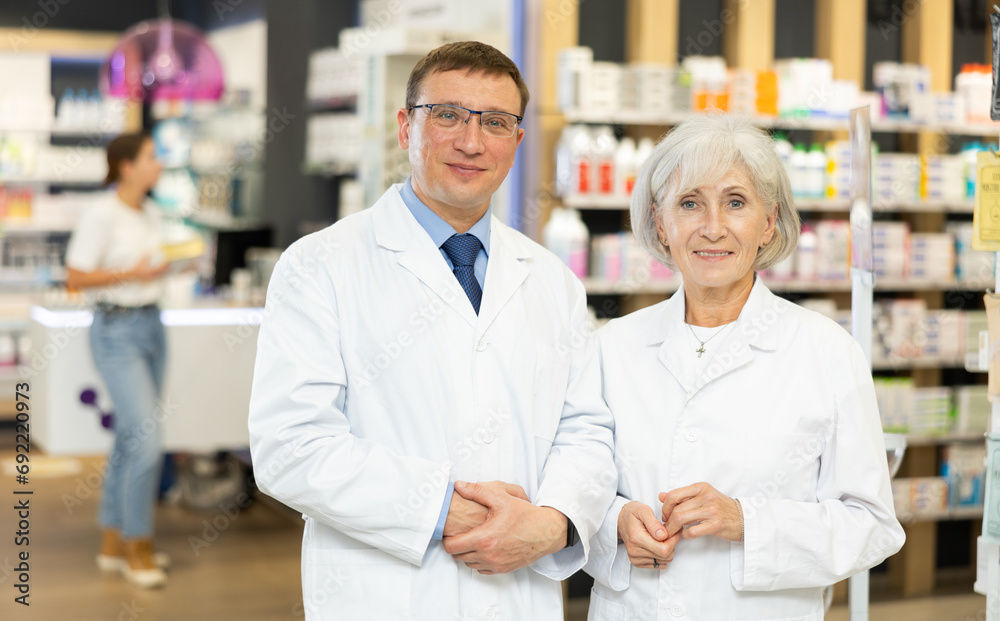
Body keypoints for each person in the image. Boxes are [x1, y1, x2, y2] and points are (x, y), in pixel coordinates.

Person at [248, 41, 616, 620]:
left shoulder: (552, 279)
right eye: (447, 115)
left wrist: (554, 522)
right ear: (405, 127)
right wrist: (443, 507)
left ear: (516, 142)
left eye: (495, 122)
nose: (471, 142)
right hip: (385, 595)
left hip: (517, 593)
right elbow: (291, 446)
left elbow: (587, 429)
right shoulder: (321, 264)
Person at [583, 114, 905, 620]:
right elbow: (578, 490)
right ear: (660, 222)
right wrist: (615, 524)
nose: (713, 228)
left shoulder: (825, 351)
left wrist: (745, 521)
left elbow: (872, 526)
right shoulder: (610, 348)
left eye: (736, 203)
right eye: (689, 203)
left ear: (769, 222)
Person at [65, 132, 171, 589]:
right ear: (126, 166)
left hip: (151, 325)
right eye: (151, 156)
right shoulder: (101, 213)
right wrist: (133, 272)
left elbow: (151, 267)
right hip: (116, 331)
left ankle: (113, 542)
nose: (160, 163)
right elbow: (75, 277)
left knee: (130, 437)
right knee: (147, 440)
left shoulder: (151, 212)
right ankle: (138, 548)